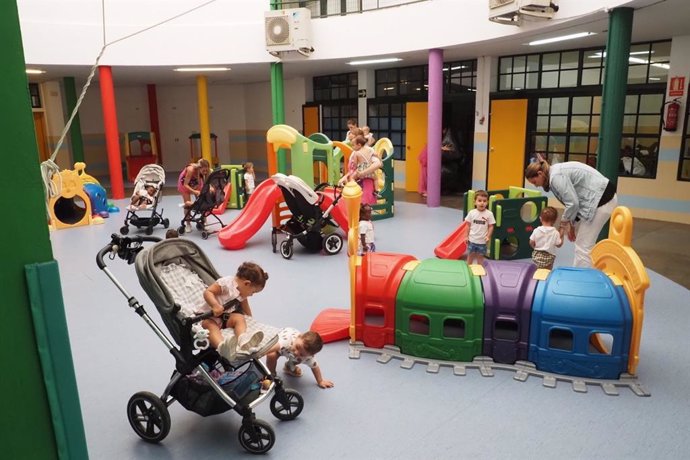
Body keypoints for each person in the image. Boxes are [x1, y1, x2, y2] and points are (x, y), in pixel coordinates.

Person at [525, 156, 618, 268]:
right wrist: (572, 224)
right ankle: (584, 272)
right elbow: (576, 201)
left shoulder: (555, 177)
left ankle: (579, 278)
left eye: (535, 182)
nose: (536, 186)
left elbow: (572, 203)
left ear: (540, 174)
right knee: (583, 243)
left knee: (583, 245)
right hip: (599, 198)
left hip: (601, 200)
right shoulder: (554, 172)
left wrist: (563, 226)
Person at [197, 261, 268, 362]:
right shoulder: (226, 284)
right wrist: (215, 305)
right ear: (246, 283)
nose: (252, 295)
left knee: (239, 318)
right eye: (253, 292)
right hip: (209, 317)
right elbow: (208, 292)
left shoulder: (242, 291)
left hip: (224, 318)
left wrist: (251, 319)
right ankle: (222, 347)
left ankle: (243, 340)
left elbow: (245, 304)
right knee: (211, 327)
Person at [265, 328, 334, 389]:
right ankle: (272, 373)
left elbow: (315, 367)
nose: (296, 353)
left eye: (302, 354)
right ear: (298, 337)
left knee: (298, 359)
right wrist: (262, 352)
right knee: (271, 355)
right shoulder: (287, 340)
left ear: (310, 355)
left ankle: (289, 366)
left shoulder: (308, 358)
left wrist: (320, 381)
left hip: (290, 353)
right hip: (281, 346)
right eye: (297, 347)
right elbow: (273, 347)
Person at [338, 135, 382, 206]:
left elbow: (355, 164)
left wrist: (355, 166)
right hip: (369, 170)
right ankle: (376, 191)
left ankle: (352, 187)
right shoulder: (370, 150)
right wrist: (377, 156)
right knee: (376, 179)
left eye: (353, 145)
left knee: (352, 178)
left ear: (359, 145)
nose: (352, 147)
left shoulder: (356, 153)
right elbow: (376, 154)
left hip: (361, 169)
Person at [464, 190, 495, 265]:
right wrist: (466, 236)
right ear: (475, 202)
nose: (482, 203)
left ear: (487, 202)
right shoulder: (472, 213)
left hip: (482, 241)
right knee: (470, 255)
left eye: (484, 201)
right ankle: (469, 267)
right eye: (479, 200)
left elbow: (491, 226)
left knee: (480, 257)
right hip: (472, 240)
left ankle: (479, 269)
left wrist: (488, 236)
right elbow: (467, 225)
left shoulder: (489, 214)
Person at [178, 159, 210, 232]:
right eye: (203, 171)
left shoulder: (204, 172)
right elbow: (185, 184)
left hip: (196, 182)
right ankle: (188, 224)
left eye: (206, 170)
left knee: (202, 201)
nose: (205, 172)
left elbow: (205, 183)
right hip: (184, 184)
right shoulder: (190, 170)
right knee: (187, 204)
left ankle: (205, 221)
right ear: (199, 168)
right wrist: (194, 191)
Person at [529, 206, 565, 270]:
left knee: (537, 270)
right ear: (554, 221)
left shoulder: (536, 230)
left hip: (537, 256)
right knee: (548, 271)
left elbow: (531, 242)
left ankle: (537, 277)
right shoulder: (555, 232)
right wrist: (562, 236)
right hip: (549, 258)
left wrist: (534, 247)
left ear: (540, 218)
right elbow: (559, 245)